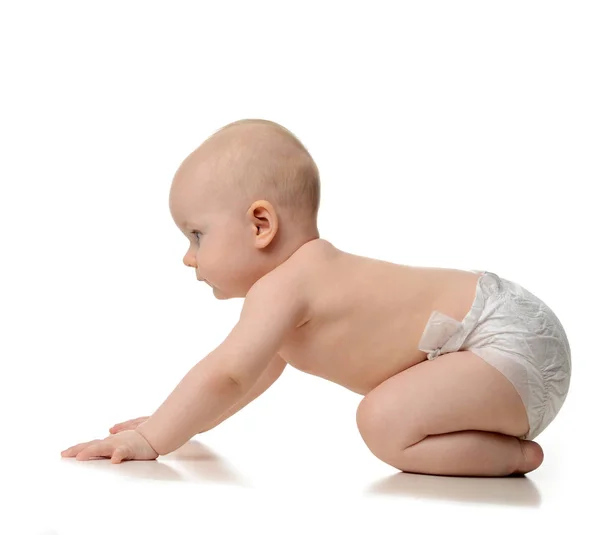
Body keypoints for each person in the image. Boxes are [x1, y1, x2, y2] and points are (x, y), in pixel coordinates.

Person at [61, 118, 571, 477]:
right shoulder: (299, 286)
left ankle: (512, 458)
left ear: (261, 224)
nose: (189, 258)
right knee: (386, 417)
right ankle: (507, 451)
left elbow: (227, 372)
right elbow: (244, 382)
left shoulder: (288, 286)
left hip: (503, 341)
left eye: (197, 236)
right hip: (503, 337)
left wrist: (151, 441)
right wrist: (168, 423)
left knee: (382, 422)